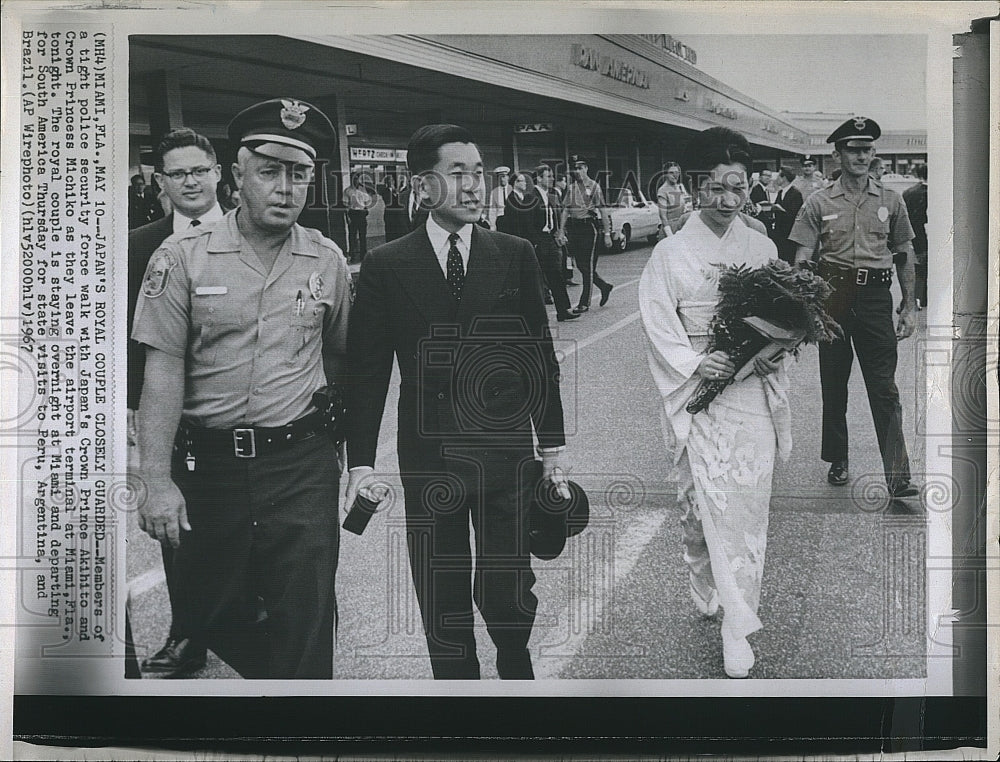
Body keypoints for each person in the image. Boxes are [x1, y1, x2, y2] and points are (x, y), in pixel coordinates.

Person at [132, 98, 351, 679]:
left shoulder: (326, 261)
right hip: (210, 468)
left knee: (304, 615)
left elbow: (339, 360)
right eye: (270, 172)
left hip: (299, 465)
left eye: (299, 174)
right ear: (236, 175)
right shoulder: (181, 258)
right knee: (211, 611)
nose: (286, 188)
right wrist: (156, 480)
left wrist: (353, 460)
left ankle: (301, 716)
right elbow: (162, 373)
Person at [344, 124, 569, 680]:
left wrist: (554, 448)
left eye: (479, 174)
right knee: (442, 588)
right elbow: (368, 373)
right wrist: (361, 462)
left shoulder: (512, 253)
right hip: (430, 456)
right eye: (457, 174)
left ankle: (516, 667)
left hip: (507, 453)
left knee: (508, 587)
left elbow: (539, 356)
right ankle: (458, 692)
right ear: (423, 186)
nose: (473, 187)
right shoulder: (386, 265)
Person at [638, 126, 790, 679]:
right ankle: (704, 578)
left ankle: (738, 620)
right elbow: (658, 324)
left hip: (748, 390)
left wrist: (774, 351)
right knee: (701, 508)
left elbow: (785, 316)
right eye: (716, 188)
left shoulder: (762, 247)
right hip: (698, 390)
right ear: (694, 187)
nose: (728, 201)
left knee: (744, 507)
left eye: (739, 187)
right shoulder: (671, 251)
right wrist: (697, 362)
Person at [127, 127, 226, 677]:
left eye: (198, 170)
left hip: (241, 409)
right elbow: (131, 338)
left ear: (217, 173)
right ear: (161, 183)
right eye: (176, 173)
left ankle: (266, 623)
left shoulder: (257, 230)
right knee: (177, 530)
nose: (189, 180)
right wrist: (136, 414)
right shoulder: (141, 245)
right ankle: (188, 635)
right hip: (173, 415)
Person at [789, 116, 918, 497]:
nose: (861, 156)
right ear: (838, 154)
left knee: (884, 387)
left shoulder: (891, 201)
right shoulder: (819, 201)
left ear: (874, 153)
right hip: (834, 297)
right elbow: (802, 257)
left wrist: (909, 306)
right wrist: (805, 304)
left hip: (877, 299)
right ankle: (838, 457)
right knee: (835, 383)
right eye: (853, 149)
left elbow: (904, 254)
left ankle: (898, 475)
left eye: (867, 149)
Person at [504, 167, 579, 322]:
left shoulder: (548, 196)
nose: (551, 179)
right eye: (548, 176)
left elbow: (552, 218)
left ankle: (563, 310)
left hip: (550, 240)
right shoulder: (530, 198)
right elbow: (527, 224)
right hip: (539, 242)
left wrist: (556, 235)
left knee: (556, 275)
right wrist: (536, 243)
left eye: (552, 176)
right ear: (539, 178)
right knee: (536, 279)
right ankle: (532, 315)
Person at [560, 154, 614, 312]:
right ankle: (604, 286)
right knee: (580, 265)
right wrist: (561, 230)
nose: (577, 171)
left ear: (586, 168)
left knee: (588, 265)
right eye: (575, 168)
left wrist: (607, 233)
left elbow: (603, 210)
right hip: (574, 227)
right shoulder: (571, 188)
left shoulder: (594, 186)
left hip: (588, 227)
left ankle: (584, 302)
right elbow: (565, 209)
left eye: (580, 168)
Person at [902, 163, 928, 310]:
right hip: (926, 235)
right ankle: (918, 299)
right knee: (923, 269)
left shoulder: (908, 192)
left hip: (912, 236)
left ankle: (910, 300)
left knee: (917, 269)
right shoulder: (932, 193)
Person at [769, 167, 804, 264]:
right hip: (779, 233)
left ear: (783, 177)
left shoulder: (796, 193)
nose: (776, 179)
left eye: (778, 176)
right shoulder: (780, 192)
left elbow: (796, 214)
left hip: (789, 234)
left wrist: (781, 210)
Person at [655, 162, 691, 235]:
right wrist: (669, 235)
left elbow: (687, 205)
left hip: (682, 227)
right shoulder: (663, 190)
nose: (675, 175)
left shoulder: (680, 187)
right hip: (670, 228)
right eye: (671, 173)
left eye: (677, 173)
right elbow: (663, 216)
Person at [345, 173, 373, 263]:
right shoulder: (348, 191)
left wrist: (366, 208)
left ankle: (363, 256)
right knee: (352, 236)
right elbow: (345, 205)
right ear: (351, 180)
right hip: (353, 214)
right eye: (354, 179)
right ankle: (352, 256)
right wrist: (347, 218)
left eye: (357, 179)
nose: (356, 181)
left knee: (362, 236)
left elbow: (368, 200)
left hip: (361, 214)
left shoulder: (363, 190)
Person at [487, 165, 512, 231]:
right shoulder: (494, 192)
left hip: (513, 219)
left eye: (503, 176)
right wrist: (492, 226)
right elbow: (492, 210)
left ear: (507, 177)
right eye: (499, 177)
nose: (501, 179)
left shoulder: (513, 190)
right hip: (501, 220)